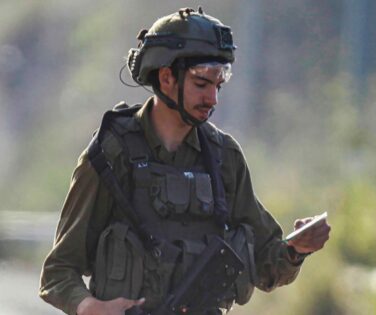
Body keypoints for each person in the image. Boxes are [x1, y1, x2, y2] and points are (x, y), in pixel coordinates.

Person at [39, 7, 330, 315]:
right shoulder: (111, 155)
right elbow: (58, 271)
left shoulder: (224, 158)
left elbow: (266, 263)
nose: (212, 99)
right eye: (202, 84)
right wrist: (88, 306)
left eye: (218, 86)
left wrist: (297, 249)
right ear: (166, 77)